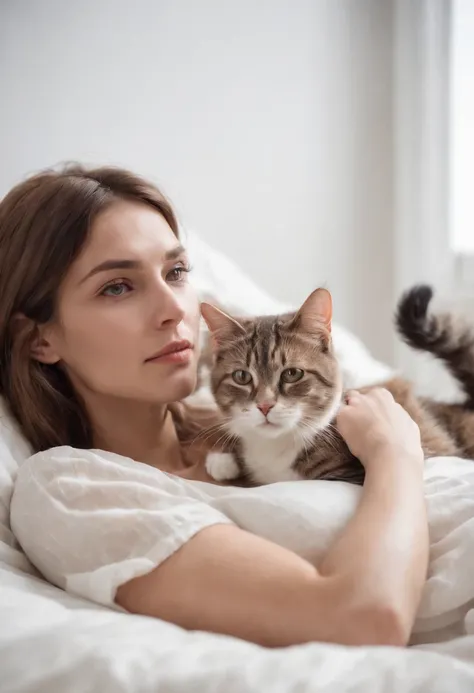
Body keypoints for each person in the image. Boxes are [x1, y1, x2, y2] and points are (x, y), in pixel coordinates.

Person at [0, 165, 428, 648]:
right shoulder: (71, 488)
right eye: (116, 286)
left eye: (176, 272)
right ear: (40, 339)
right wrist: (397, 455)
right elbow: (364, 621)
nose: (174, 311)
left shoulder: (242, 435)